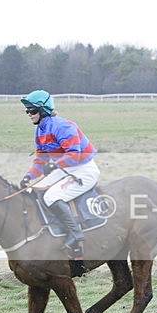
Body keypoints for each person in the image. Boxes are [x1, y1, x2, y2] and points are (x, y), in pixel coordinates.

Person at [19, 89, 100, 258]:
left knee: (51, 197)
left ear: (43, 110)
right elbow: (41, 160)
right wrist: (29, 177)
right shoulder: (40, 130)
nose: (29, 114)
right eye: (27, 110)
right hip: (65, 168)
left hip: (83, 169)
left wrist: (54, 164)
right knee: (33, 190)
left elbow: (74, 155)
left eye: (32, 110)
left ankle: (76, 233)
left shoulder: (63, 126)